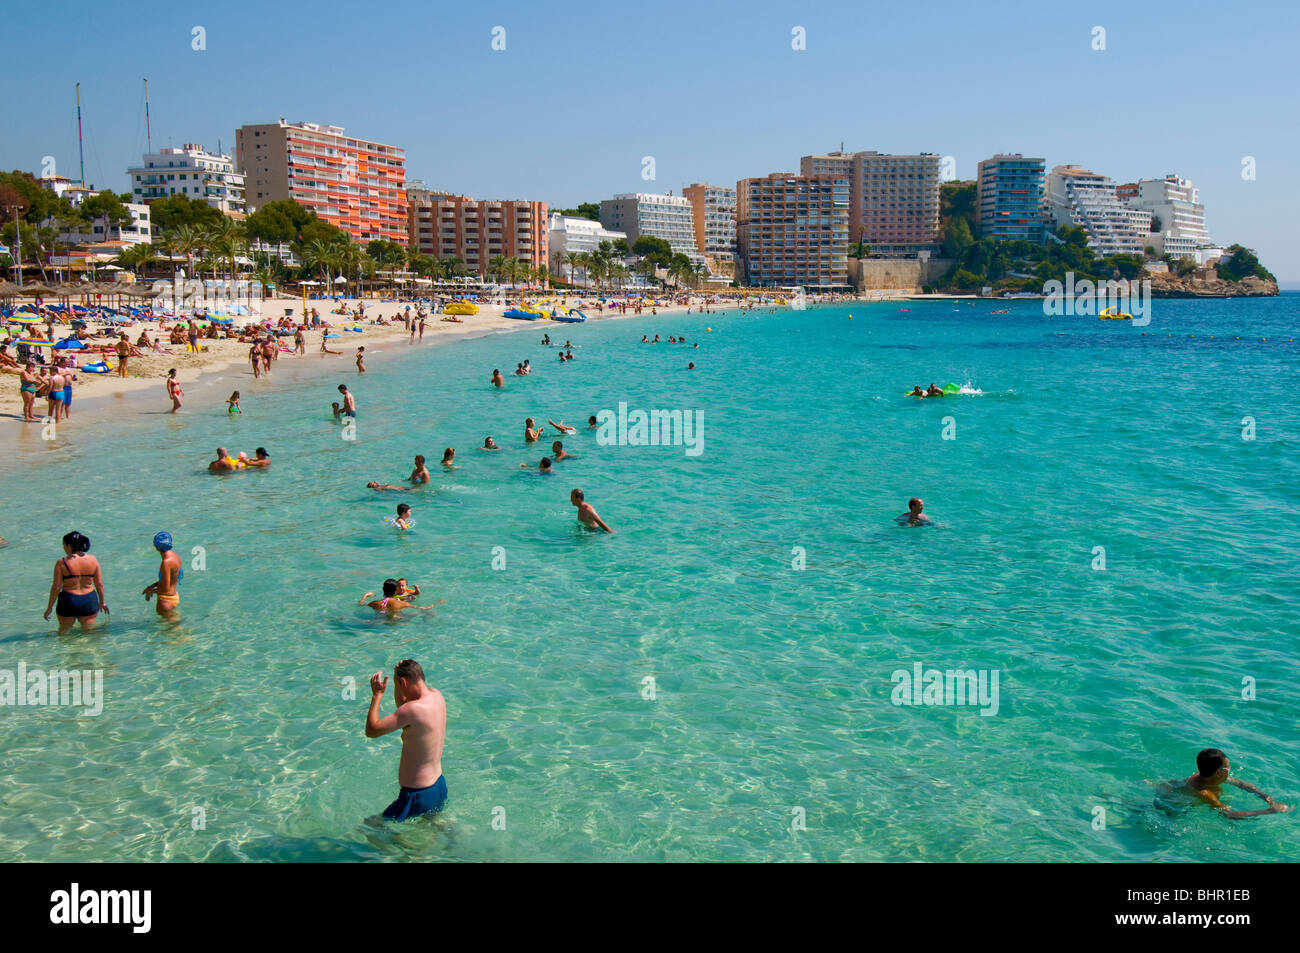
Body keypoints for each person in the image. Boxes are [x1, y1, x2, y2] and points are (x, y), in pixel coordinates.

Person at [365, 658, 448, 821]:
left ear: (403, 682)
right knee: (431, 826)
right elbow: (404, 709)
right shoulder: (437, 696)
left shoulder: (412, 710)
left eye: (399, 684)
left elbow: (372, 731)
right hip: (438, 786)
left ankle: (403, 847)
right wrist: (398, 683)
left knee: (372, 825)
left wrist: (377, 695)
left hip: (416, 794)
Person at [1158, 748, 1291, 819]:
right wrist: (1270, 811)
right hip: (1171, 812)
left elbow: (1242, 784)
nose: (1230, 770)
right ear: (1218, 773)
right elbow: (1229, 814)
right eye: (1228, 768)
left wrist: (1268, 799)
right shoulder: (1205, 793)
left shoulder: (1208, 776)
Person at [44, 531, 108, 633]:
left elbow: (56, 587)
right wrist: (102, 602)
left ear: (69, 545)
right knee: (90, 633)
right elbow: (99, 584)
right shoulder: (93, 560)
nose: (63, 547)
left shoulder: (62, 562)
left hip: (69, 600)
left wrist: (49, 607)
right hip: (88, 600)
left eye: (64, 545)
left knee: (64, 632)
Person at [142, 531, 182, 618]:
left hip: (166, 601)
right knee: (173, 628)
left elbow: (165, 590)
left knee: (170, 630)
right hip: (174, 596)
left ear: (156, 547)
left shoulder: (166, 562)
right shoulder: (175, 556)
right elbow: (170, 578)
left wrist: (151, 591)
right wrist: (152, 586)